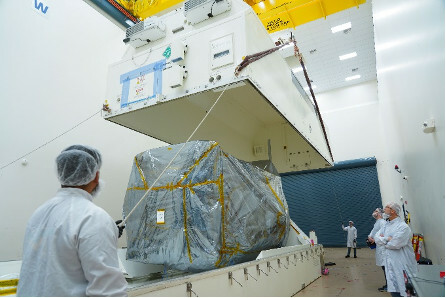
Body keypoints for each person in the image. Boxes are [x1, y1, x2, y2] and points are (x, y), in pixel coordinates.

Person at [17, 145, 128, 296]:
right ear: (95, 176)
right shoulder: (94, 218)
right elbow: (107, 291)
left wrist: (110, 233)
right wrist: (105, 232)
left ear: (61, 173)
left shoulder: (39, 213)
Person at [374, 202, 417, 297]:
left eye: (387, 207)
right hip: (390, 265)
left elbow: (395, 244)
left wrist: (384, 240)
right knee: (394, 289)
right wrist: (387, 239)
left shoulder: (403, 227)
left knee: (406, 291)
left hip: (402, 265)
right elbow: (376, 238)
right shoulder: (386, 225)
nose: (384, 209)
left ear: (393, 211)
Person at [368, 208, 387, 292]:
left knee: (386, 268)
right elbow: (374, 232)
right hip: (379, 247)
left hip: (383, 248)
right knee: (384, 268)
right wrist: (370, 237)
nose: (374, 212)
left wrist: (375, 240)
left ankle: (389, 285)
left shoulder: (382, 222)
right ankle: (388, 284)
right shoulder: (377, 222)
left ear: (379, 213)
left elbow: (384, 235)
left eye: (375, 211)